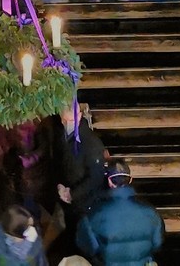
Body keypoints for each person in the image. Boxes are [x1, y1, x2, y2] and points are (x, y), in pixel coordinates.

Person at [76, 159, 163, 266]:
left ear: (109, 181)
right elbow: (157, 244)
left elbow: (87, 247)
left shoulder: (93, 215)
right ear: (130, 180)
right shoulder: (151, 212)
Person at [52, 102, 108, 249]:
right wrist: (59, 185)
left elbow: (95, 177)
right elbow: (58, 161)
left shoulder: (91, 144)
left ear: (80, 116)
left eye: (70, 120)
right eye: (64, 120)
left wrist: (72, 194)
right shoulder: (61, 134)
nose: (66, 123)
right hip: (68, 200)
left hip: (84, 204)